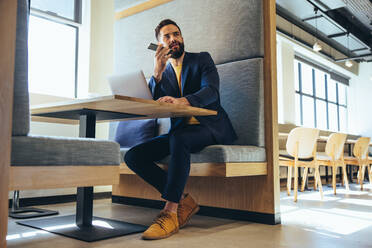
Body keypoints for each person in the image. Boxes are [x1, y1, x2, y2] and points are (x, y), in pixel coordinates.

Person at [124, 19, 237, 240]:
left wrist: (183, 101)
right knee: (134, 156)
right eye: (166, 37)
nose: (173, 39)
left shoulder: (201, 59)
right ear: (159, 45)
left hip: (211, 127)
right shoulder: (163, 73)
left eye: (176, 34)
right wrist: (156, 73)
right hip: (180, 132)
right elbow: (152, 103)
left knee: (180, 139)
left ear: (182, 38)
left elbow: (211, 91)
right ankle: (185, 201)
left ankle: (170, 212)